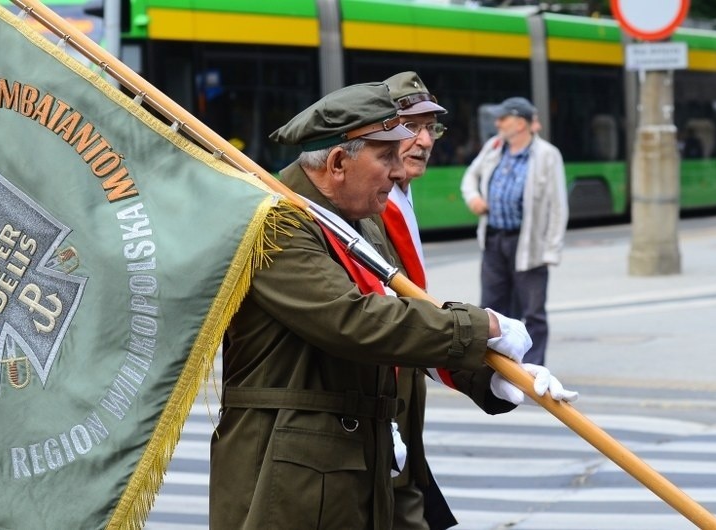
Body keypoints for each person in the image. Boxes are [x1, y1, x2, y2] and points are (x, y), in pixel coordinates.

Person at [209, 82, 577, 530]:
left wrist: (488, 370)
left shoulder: (359, 217)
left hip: (358, 463)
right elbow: (354, 321)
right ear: (339, 162)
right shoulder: (278, 223)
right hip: (288, 474)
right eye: (385, 156)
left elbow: (404, 311)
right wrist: (483, 326)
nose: (396, 169)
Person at [381, 72, 541, 530]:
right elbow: (375, 318)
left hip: (401, 408)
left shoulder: (397, 195)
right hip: (374, 412)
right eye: (411, 126)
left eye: (432, 128)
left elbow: (418, 316)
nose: (425, 141)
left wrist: (495, 373)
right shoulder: (364, 207)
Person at [460, 97, 569, 367]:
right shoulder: (494, 146)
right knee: (491, 308)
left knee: (532, 312)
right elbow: (470, 177)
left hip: (528, 243)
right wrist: (474, 197)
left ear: (520, 123)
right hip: (494, 239)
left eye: (503, 118)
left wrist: (551, 250)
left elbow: (558, 206)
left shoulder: (546, 155)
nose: (497, 123)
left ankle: (531, 369)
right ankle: (495, 366)